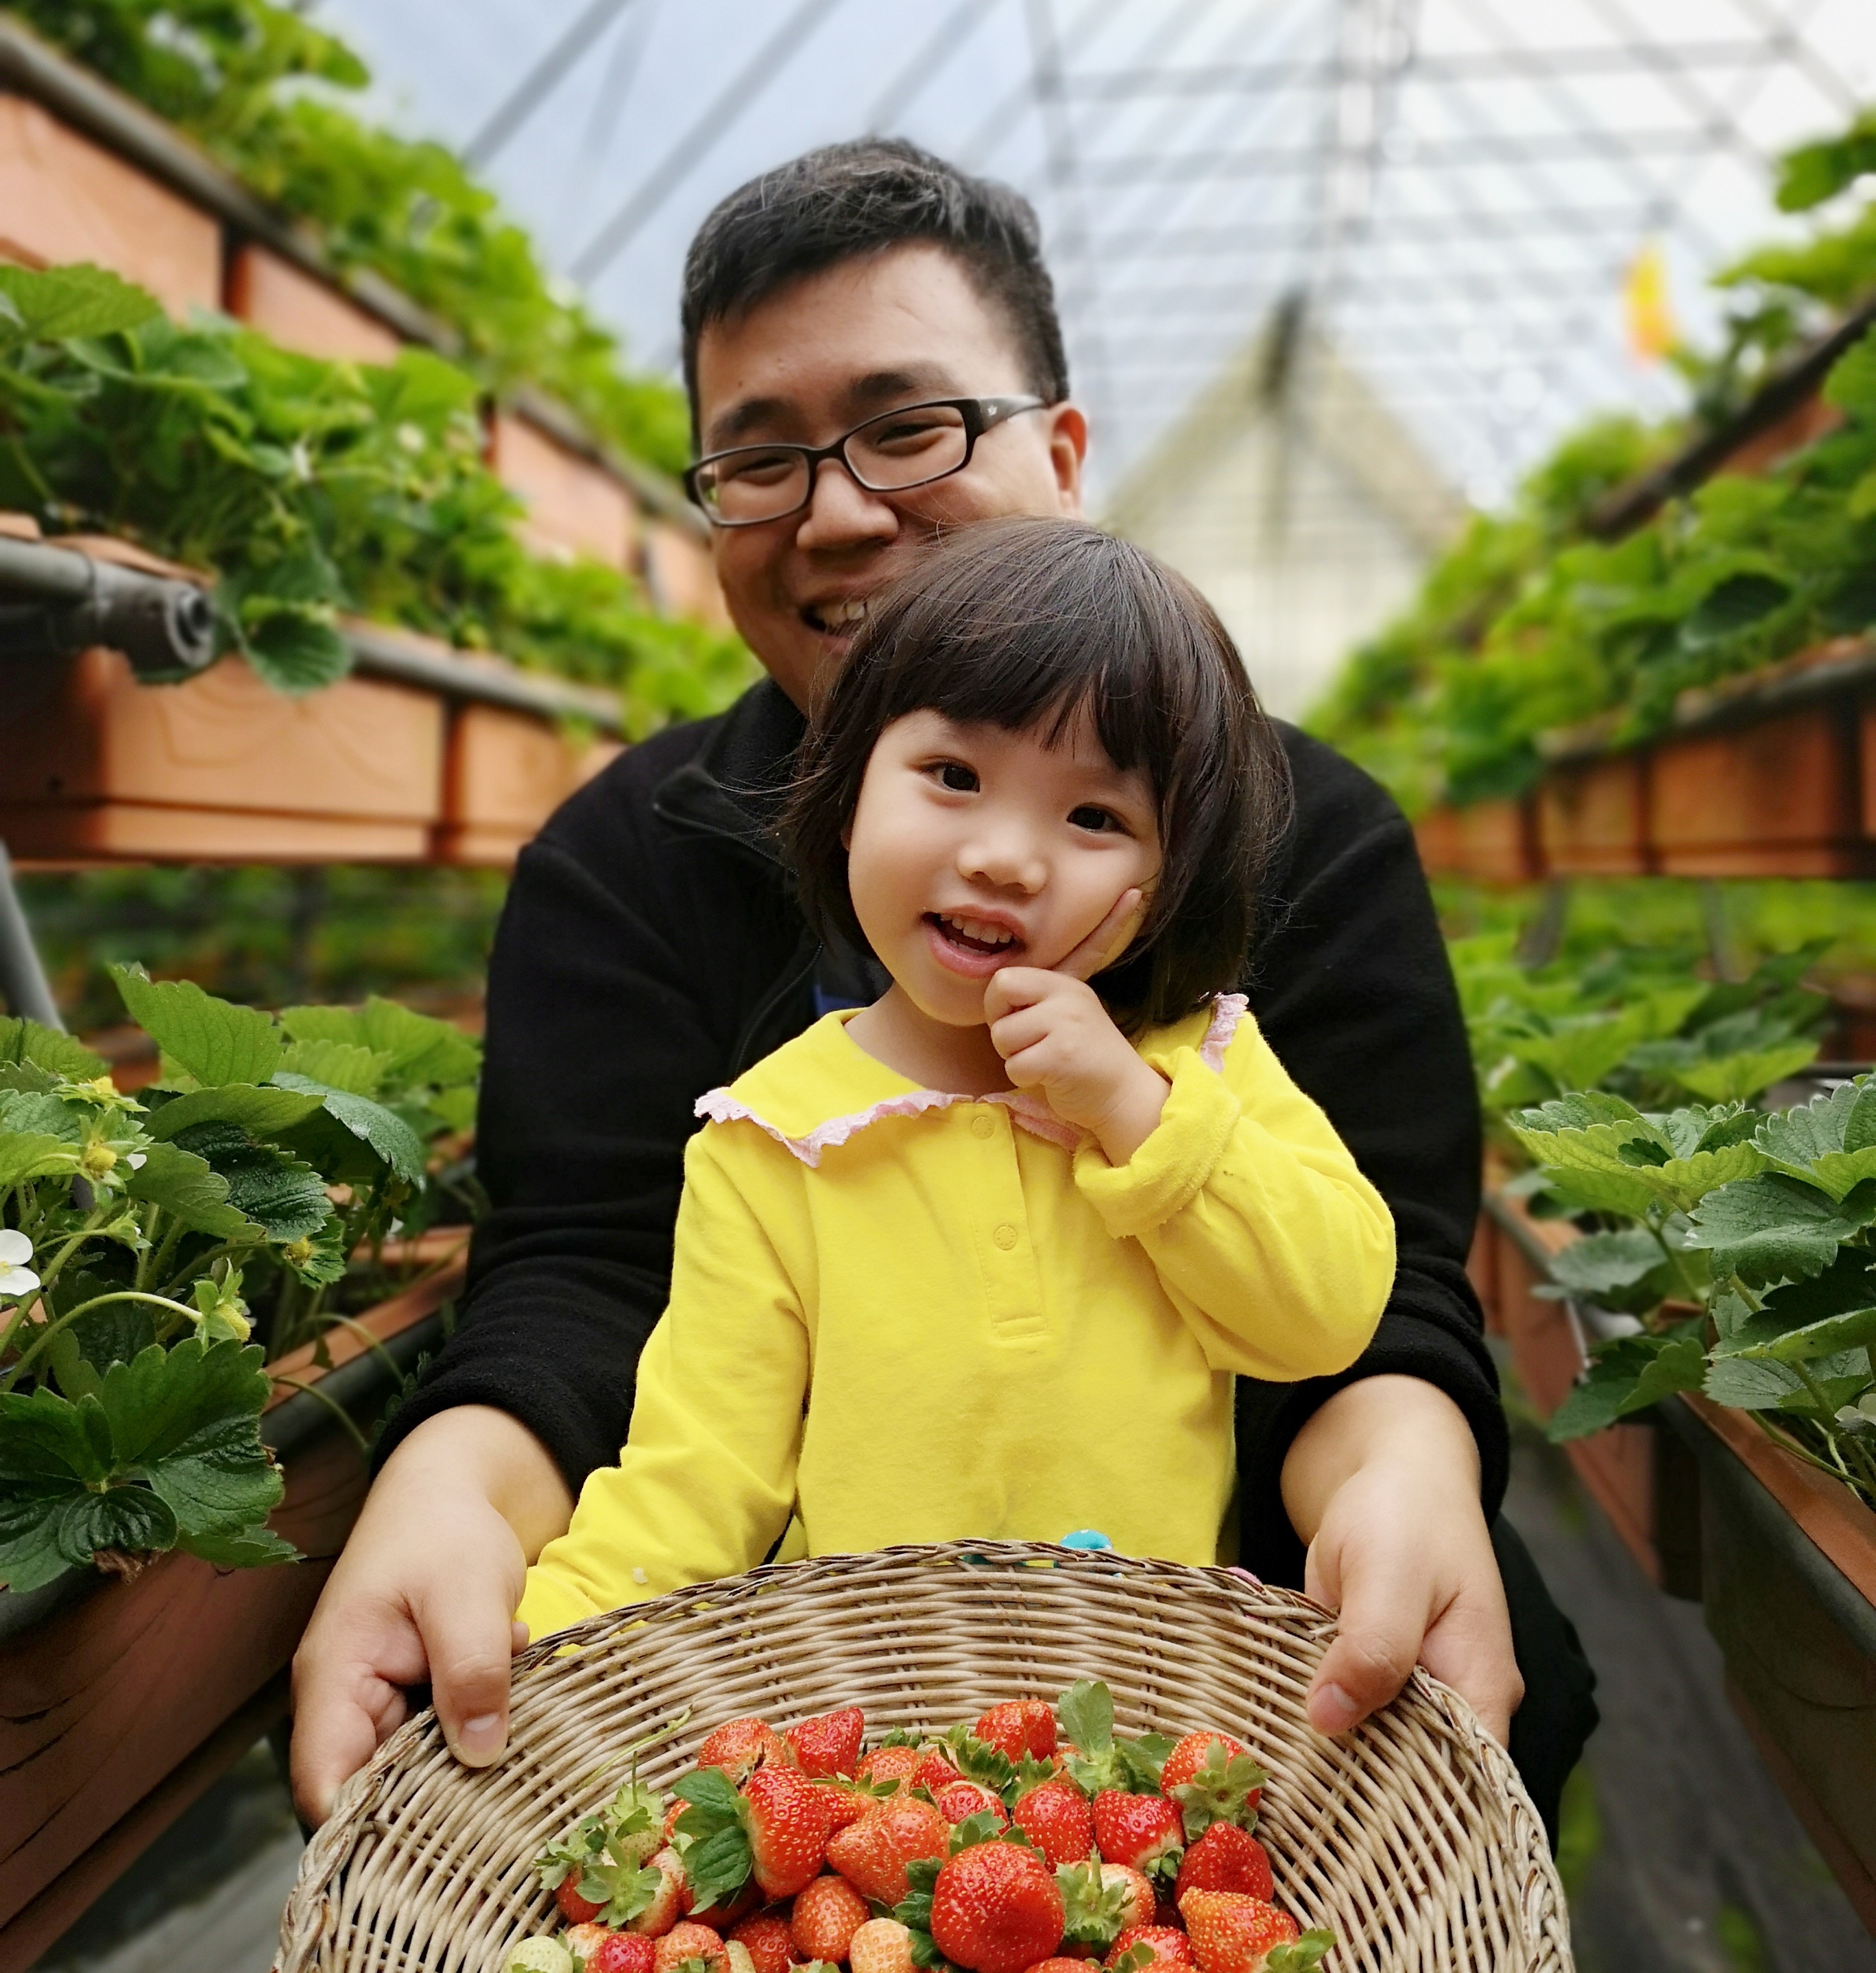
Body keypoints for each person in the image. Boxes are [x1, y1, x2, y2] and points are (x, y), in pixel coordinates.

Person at [290, 137, 1595, 1831]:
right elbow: (585, 1269)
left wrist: (1405, 1460)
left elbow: (1384, 1276)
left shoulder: (1309, 836)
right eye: (757, 461)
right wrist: (455, 1489)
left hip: (1225, 1628)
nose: (837, 510)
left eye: (908, 427)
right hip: (792, 1669)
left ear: (1060, 450)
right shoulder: (625, 859)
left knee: (1501, 1696)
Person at [518, 518, 1396, 1633]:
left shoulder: (1195, 1068)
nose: (1005, 856)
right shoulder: (778, 1133)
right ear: (847, 794)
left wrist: (1131, 1109)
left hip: (1147, 1721)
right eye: (952, 774)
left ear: (1173, 877)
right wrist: (558, 1630)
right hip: (869, 1743)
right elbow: (701, 1473)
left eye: (1094, 816)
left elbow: (1324, 1314)